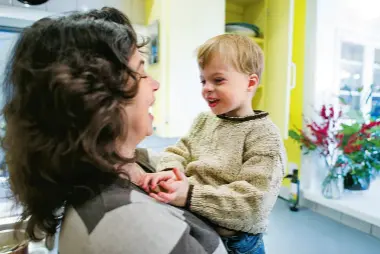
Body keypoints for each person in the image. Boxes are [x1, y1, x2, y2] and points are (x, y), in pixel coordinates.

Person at [2, 8, 227, 254]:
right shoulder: (131, 224)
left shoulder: (130, 167)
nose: (155, 84)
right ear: (99, 99)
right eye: (141, 73)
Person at [141, 34, 286, 254]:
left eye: (218, 80)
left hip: (237, 243)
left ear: (250, 82)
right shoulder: (204, 120)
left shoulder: (265, 137)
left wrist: (189, 195)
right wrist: (171, 171)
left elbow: (253, 205)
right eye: (203, 80)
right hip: (197, 225)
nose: (207, 88)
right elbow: (177, 151)